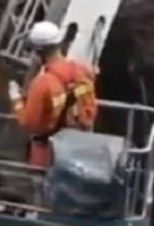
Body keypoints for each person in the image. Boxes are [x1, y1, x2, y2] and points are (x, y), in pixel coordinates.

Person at [8, 21, 98, 168]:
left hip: (50, 154)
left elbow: (28, 123)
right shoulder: (84, 70)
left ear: (39, 53)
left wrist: (15, 98)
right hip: (82, 147)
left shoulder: (41, 84)